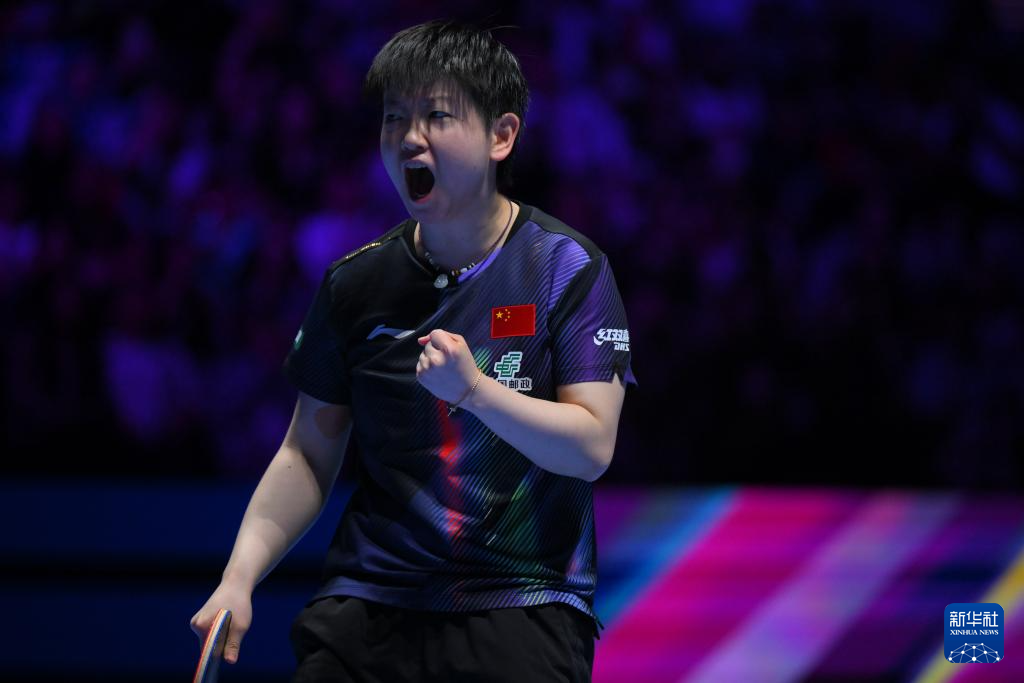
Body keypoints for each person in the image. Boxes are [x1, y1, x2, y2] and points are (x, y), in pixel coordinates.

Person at [190, 19, 636, 682]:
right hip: (370, 602)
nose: (408, 137)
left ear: (501, 136)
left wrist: (475, 392)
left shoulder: (566, 269)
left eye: (436, 116)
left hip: (520, 602)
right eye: (394, 117)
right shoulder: (355, 284)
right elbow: (307, 453)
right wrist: (239, 576)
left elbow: (591, 447)